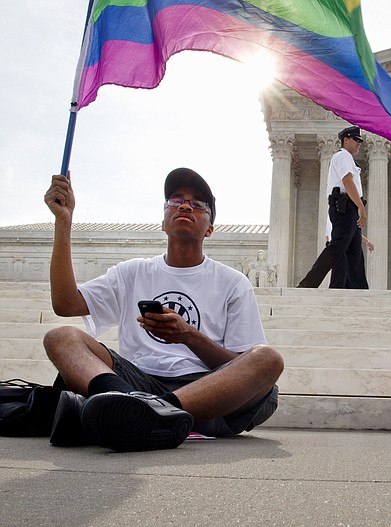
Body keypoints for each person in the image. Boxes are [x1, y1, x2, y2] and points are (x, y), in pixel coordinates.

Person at [42, 168, 284, 452]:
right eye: (175, 200)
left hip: (205, 391)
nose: (184, 205)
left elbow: (238, 364)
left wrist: (188, 336)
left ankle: (146, 414)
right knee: (61, 337)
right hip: (134, 382)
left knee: (268, 360)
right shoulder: (133, 272)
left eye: (197, 204)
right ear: (163, 222)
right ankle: (129, 407)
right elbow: (65, 303)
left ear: (209, 229)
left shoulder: (232, 282)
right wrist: (64, 221)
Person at [297, 126, 368, 289]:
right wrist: (361, 207)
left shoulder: (348, 159)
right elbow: (347, 181)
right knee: (337, 247)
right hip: (345, 207)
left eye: (360, 141)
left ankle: (357, 289)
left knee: (354, 253)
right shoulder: (343, 156)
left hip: (350, 208)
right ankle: (308, 283)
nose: (359, 144)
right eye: (356, 140)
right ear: (346, 139)